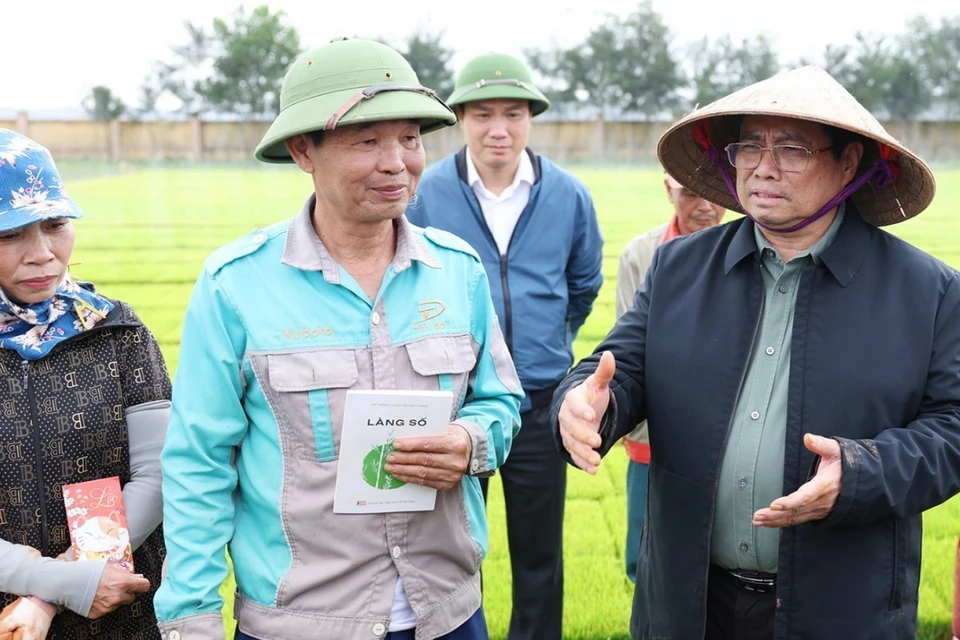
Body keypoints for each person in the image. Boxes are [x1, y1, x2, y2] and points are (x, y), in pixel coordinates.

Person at [553, 65, 960, 639]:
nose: (764, 167)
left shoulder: (929, 291)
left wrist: (863, 472)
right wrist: (586, 403)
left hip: (840, 608)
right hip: (689, 605)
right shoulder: (679, 269)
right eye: (750, 146)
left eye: (792, 148)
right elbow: (619, 369)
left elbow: (953, 428)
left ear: (849, 163)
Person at [153, 38, 523, 640]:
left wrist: (471, 440)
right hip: (301, 622)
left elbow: (500, 400)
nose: (396, 162)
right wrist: (190, 622)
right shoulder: (236, 286)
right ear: (304, 150)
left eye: (409, 138)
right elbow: (199, 464)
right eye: (367, 140)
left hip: (447, 612)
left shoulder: (458, 272)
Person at [407, 52, 603, 640]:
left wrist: (548, 343)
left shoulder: (569, 195)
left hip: (541, 406)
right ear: (460, 119)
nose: (499, 129)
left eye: (513, 114)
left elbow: (583, 283)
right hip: (452, 407)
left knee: (539, 556)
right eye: (482, 114)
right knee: (446, 553)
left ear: (531, 118)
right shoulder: (427, 194)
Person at [0, 129, 170, 640]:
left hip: (119, 608)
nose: (43, 254)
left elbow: (158, 476)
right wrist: (58, 582)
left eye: (55, 225)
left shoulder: (118, 329)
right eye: (9, 234)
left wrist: (49, 596)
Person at [615, 173, 725, 582]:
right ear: (668, 190)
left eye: (714, 193)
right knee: (647, 563)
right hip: (655, 441)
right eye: (689, 193)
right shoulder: (640, 256)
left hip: (730, 442)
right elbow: (630, 355)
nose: (705, 206)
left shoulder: (755, 250)